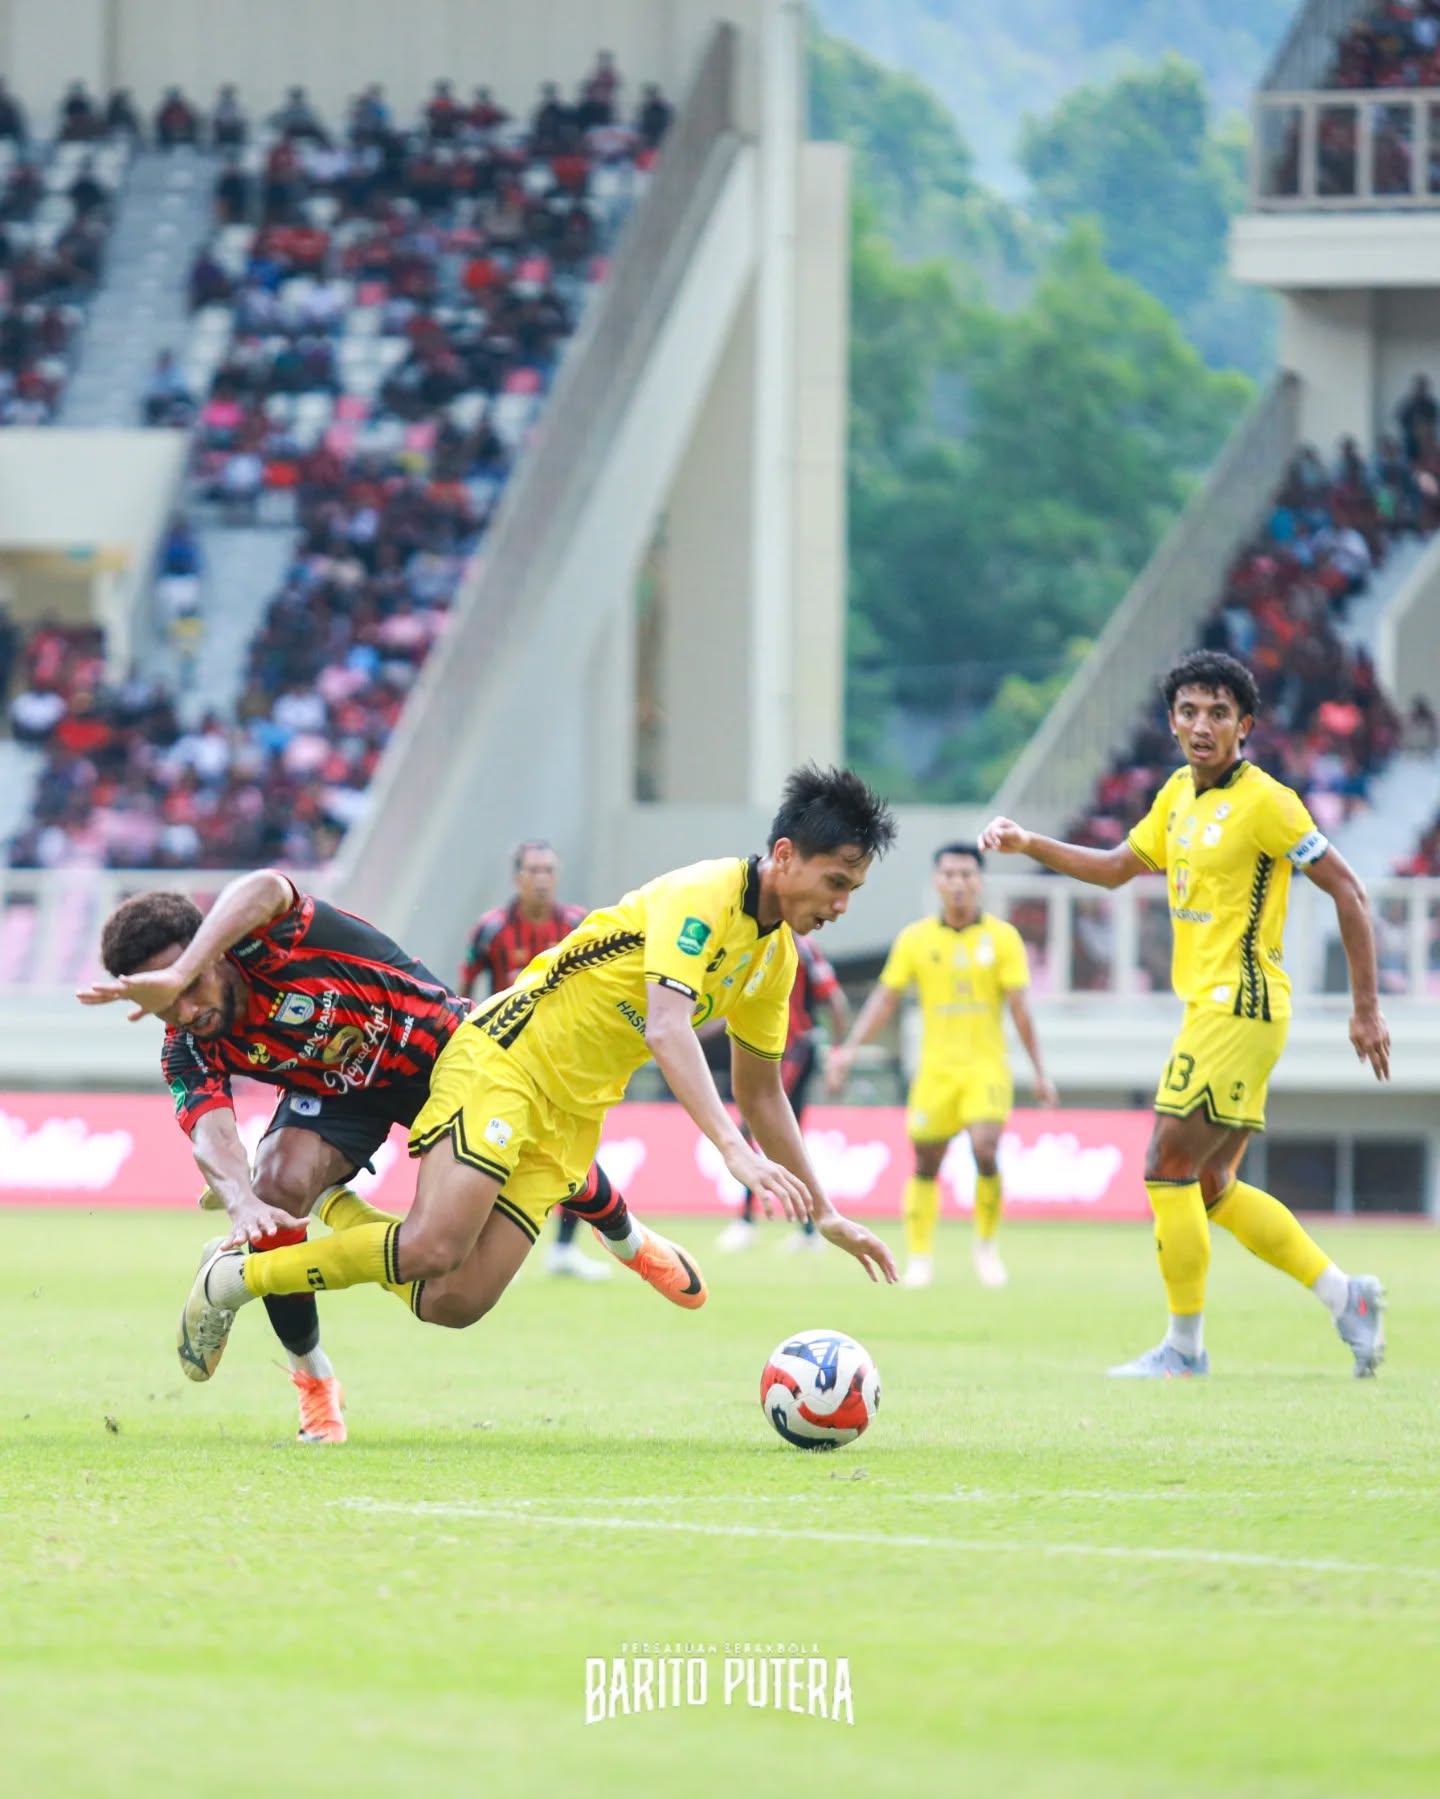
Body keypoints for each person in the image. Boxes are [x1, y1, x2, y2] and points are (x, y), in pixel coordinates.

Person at [171, 766, 901, 1373]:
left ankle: (329, 1203)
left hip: (570, 1116)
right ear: (783, 855)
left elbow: (762, 1090)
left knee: (453, 1303)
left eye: (852, 891)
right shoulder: (701, 897)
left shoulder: (772, 958)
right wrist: (731, 1148)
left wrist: (825, 1207)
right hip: (506, 1060)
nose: (840, 905)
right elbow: (671, 1028)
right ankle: (232, 1279)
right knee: (430, 1246)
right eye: (835, 882)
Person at [980, 649, 1390, 1378]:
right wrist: (1029, 842)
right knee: (1210, 1186)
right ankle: (1344, 1297)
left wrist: (1366, 1009)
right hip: (1214, 1011)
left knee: (1165, 1163)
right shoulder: (1176, 794)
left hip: (1242, 1005)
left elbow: (1349, 892)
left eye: (1219, 713)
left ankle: (1185, 1349)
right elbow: (1114, 869)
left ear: (1246, 726)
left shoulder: (1268, 801)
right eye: (1190, 712)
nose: (1203, 726)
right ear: (1172, 722)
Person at [78, 872, 475, 1441]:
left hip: (440, 1057)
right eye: (166, 1003)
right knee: (276, 1190)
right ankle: (315, 1384)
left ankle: (634, 1245)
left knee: (469, 1269)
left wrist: (178, 970)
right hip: (342, 1093)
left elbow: (267, 883)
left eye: (190, 983)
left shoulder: (267, 940)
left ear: (211, 952)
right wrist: (241, 1203)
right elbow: (210, 1132)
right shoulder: (187, 1046)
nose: (186, 1010)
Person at [827, 843, 1056, 1290]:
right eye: (949, 874)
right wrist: (851, 1048)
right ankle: (920, 1257)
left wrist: (1041, 1073)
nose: (958, 883)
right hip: (935, 1071)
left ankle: (986, 1248)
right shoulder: (915, 939)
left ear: (980, 882)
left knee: (986, 1149)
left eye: (967, 874)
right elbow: (884, 998)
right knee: (927, 1162)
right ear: (936, 881)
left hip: (986, 1068)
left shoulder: (1003, 938)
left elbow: (1021, 1009)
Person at [461, 839, 611, 1282]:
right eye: (534, 870)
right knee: (496, 1150)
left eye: (549, 870)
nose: (542, 878)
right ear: (517, 878)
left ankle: (563, 1250)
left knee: (573, 1153)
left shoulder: (580, 924)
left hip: (569, 1061)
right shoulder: (490, 930)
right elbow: (467, 989)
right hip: (509, 1061)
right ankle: (476, 1243)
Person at [717, 932, 849, 1253]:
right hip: (765, 1046)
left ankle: (749, 1221)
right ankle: (806, 1228)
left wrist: (837, 1053)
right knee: (782, 1135)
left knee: (759, 1129)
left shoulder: (801, 947)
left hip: (795, 1048)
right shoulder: (755, 940)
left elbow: (835, 999)